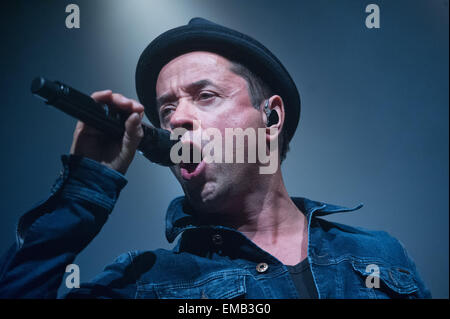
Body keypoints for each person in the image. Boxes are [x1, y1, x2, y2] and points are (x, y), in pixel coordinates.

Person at [0, 18, 431, 299]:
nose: (178, 120)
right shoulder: (146, 282)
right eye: (166, 110)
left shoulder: (378, 254)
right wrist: (85, 189)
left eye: (205, 97)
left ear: (272, 116)